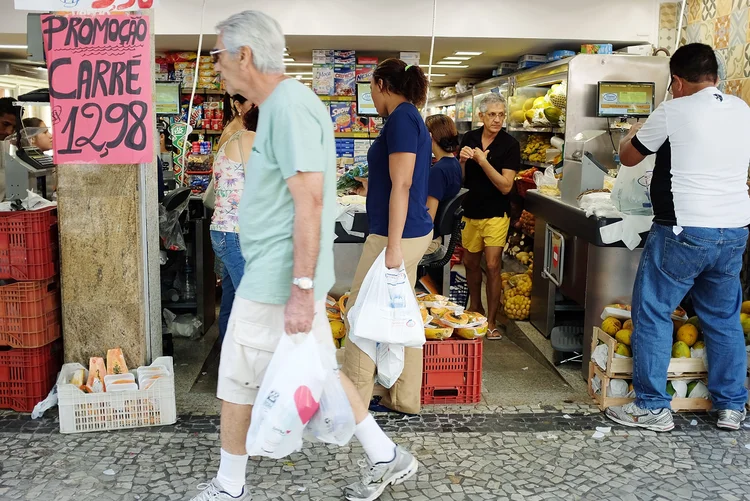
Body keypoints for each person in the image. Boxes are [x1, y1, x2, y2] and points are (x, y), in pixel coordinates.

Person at [189, 11, 418, 501]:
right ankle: (386, 455)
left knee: (235, 380)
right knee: (321, 371)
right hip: (280, 279)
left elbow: (309, 200)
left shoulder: (287, 108)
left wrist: (302, 290)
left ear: (244, 55)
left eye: (218, 55)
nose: (216, 66)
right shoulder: (281, 106)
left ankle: (230, 486)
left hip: (277, 282)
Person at [605, 43, 750, 432]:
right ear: (716, 77)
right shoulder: (741, 109)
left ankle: (653, 407)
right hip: (735, 229)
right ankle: (731, 406)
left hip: (683, 229)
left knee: (653, 312)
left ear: (678, 81)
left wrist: (633, 133)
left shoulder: (672, 109)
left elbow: (630, 157)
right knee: (723, 318)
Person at [342, 58, 433, 416]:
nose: (371, 97)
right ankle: (404, 397)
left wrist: (392, 245)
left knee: (361, 311)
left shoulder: (401, 119)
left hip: (396, 235)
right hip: (406, 228)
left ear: (380, 83)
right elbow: (399, 179)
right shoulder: (407, 118)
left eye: (370, 89)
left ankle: (354, 401)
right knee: (401, 314)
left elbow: (404, 182)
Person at [459, 93, 520, 339]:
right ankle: (476, 307)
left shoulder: (509, 144)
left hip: (496, 212)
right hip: (470, 211)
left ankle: (492, 321)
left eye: (501, 115)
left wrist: (483, 161)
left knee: (493, 265)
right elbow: (461, 180)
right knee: (471, 264)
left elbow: (506, 186)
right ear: (481, 116)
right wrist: (462, 162)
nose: (497, 119)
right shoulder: (470, 137)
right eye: (492, 114)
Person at [210, 96, 258, 342]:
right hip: (236, 232)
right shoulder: (247, 138)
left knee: (231, 295)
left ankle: (227, 357)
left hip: (226, 230)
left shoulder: (234, 134)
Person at [423, 114, 462, 257]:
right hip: (438, 236)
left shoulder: (438, 171)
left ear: (430, 135)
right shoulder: (454, 164)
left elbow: (428, 218)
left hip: (430, 240)